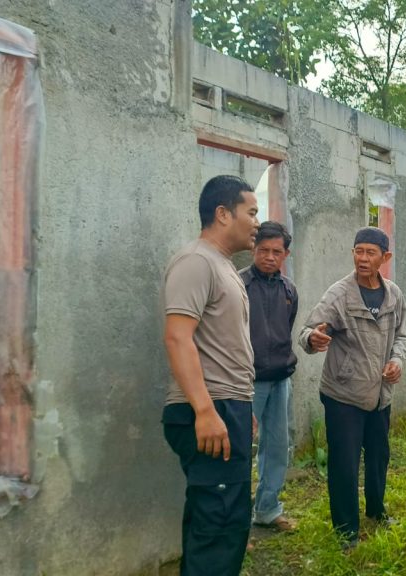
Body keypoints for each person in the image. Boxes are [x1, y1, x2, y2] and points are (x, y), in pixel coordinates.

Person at [161, 175, 259, 575]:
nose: (257, 221)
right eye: (251, 212)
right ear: (223, 214)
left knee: (221, 518)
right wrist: (205, 410)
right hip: (208, 408)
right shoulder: (196, 262)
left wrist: (240, 405)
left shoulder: (221, 265)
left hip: (226, 406)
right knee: (219, 522)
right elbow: (177, 337)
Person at [298, 226, 406, 550]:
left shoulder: (394, 295)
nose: (362, 258)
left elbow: (402, 335)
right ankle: (346, 530)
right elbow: (308, 330)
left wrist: (397, 361)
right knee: (344, 463)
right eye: (358, 251)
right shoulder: (339, 294)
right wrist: (312, 339)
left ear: (384, 257)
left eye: (370, 252)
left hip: (380, 394)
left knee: (379, 457)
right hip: (344, 394)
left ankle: (376, 511)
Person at [239, 221, 299, 531]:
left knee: (276, 446)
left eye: (277, 251)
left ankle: (267, 509)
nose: (270, 257)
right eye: (264, 250)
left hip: (280, 379)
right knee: (238, 449)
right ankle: (234, 523)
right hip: (245, 382)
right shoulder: (240, 285)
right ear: (254, 249)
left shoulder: (289, 290)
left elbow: (286, 330)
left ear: (286, 253)